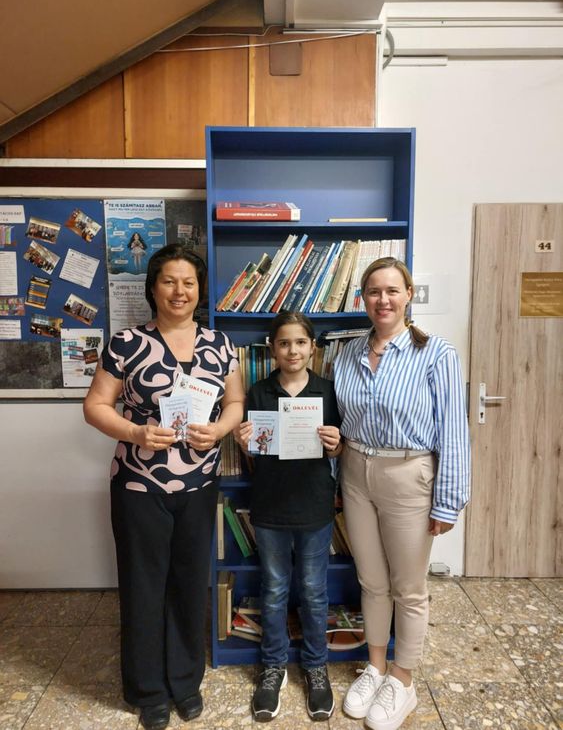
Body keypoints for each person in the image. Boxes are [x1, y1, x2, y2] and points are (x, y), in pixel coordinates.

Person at [83, 244, 244, 730]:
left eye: (188, 282)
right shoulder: (126, 343)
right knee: (143, 586)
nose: (179, 291)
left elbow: (234, 403)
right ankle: (148, 690)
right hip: (139, 485)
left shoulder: (220, 344)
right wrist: (135, 432)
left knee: (189, 583)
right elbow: (95, 406)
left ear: (199, 290)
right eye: (169, 281)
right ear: (153, 288)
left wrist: (219, 430)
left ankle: (185, 682)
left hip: (199, 485)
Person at [333, 257, 470, 730]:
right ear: (362, 298)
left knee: (408, 588)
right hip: (355, 471)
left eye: (393, 290)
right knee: (371, 581)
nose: (383, 300)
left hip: (409, 474)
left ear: (409, 295)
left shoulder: (436, 353)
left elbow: (454, 431)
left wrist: (448, 500)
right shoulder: (347, 353)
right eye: (374, 291)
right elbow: (339, 421)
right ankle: (375, 667)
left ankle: (403, 680)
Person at [234, 312, 342, 723]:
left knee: (313, 590)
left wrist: (336, 444)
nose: (292, 350)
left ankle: (316, 666)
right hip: (270, 506)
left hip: (314, 505)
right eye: (284, 343)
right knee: (275, 588)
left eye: (300, 342)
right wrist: (243, 442)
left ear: (312, 347)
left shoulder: (327, 391)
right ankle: (273, 666)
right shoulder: (259, 391)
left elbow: (339, 449)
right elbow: (254, 452)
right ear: (272, 349)